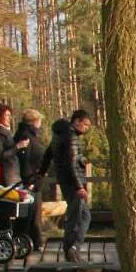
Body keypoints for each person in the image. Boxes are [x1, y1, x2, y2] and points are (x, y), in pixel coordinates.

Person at [41, 108, 94, 262]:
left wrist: (41, 171)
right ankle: (72, 248)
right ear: (76, 121)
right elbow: (71, 164)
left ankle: (72, 248)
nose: (86, 129)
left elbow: (49, 153)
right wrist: (79, 187)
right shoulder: (71, 137)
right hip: (72, 182)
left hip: (65, 180)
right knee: (77, 217)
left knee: (81, 215)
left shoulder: (59, 135)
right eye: (85, 125)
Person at [13, 110, 48, 251]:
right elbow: (25, 161)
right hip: (30, 180)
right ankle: (33, 241)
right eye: (39, 121)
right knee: (31, 213)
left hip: (36, 178)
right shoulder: (25, 136)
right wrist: (30, 180)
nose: (40, 124)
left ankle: (33, 241)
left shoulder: (31, 135)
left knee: (34, 213)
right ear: (34, 121)